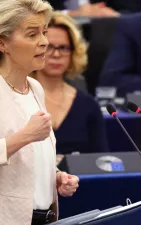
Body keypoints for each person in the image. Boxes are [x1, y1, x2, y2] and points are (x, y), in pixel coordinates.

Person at [0, 1, 79, 224]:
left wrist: (54, 177)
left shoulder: (34, 88)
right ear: (2, 43)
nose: (44, 42)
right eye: (32, 35)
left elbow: (28, 158)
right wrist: (26, 135)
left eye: (44, 32)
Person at [33, 12, 109, 157]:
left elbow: (102, 162)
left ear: (74, 53)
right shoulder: (16, 99)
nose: (56, 55)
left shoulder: (88, 105)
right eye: (48, 47)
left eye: (63, 48)